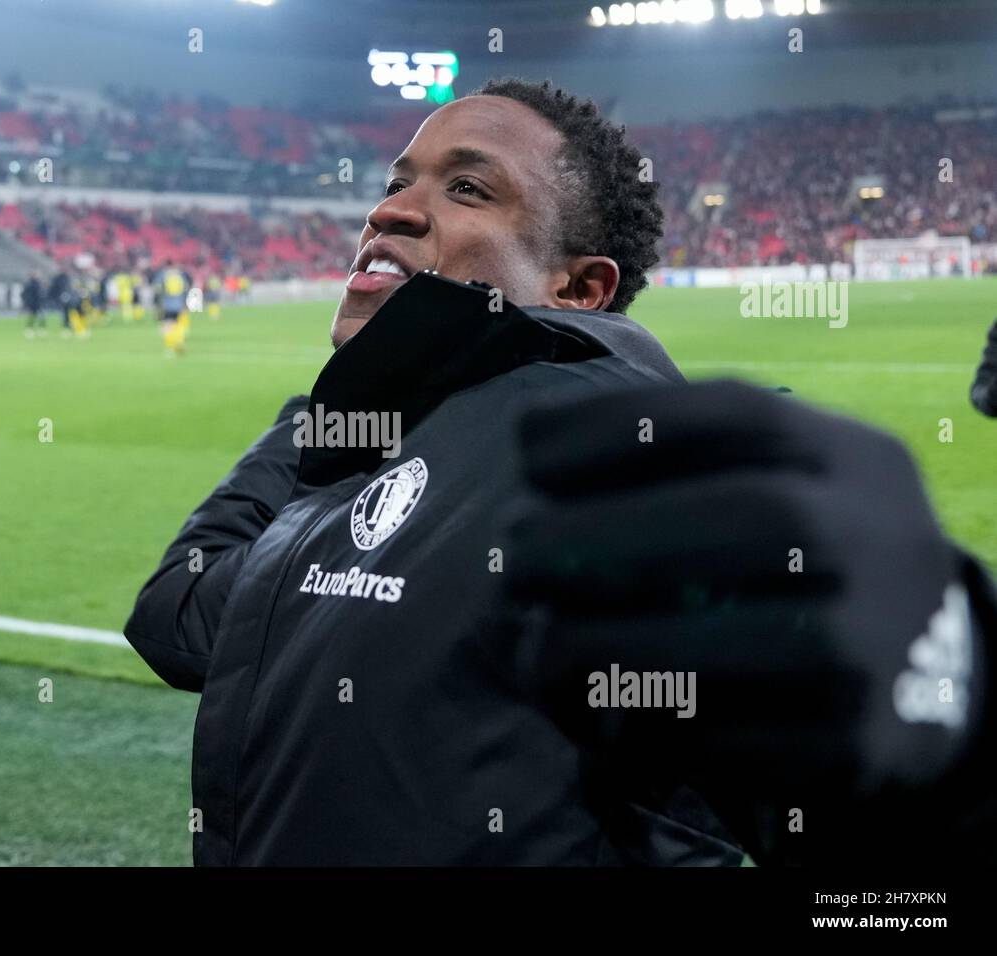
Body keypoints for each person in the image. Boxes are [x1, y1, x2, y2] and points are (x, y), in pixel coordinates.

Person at [124, 79, 997, 866]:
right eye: (397, 183)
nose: (390, 211)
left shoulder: (615, 460)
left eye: (467, 188)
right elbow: (179, 617)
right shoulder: (377, 442)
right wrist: (348, 399)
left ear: (579, 289)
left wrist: (936, 687)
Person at [154, 259, 191, 356]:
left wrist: (158, 304)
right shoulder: (180, 275)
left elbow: (157, 289)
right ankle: (179, 342)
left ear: (165, 266)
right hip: (179, 304)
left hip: (168, 304)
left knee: (167, 326)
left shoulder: (163, 275)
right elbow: (186, 289)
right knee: (178, 324)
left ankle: (170, 348)